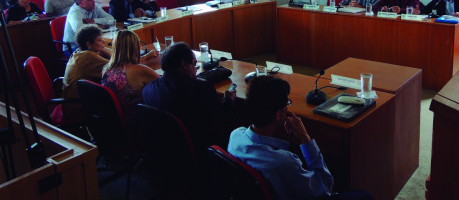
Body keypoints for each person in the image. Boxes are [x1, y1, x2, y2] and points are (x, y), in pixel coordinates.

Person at [228, 76, 372, 200]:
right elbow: (326, 188)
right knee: (364, 195)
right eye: (287, 105)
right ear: (279, 115)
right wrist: (305, 138)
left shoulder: (235, 135)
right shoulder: (285, 162)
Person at [142, 42, 235, 153]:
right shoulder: (201, 89)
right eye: (194, 64)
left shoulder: (148, 90)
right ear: (184, 64)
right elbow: (221, 123)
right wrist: (228, 101)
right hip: (198, 152)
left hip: (161, 152)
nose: (196, 69)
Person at [102, 30, 159, 126]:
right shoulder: (139, 70)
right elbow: (165, 85)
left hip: (115, 123)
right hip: (139, 122)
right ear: (136, 47)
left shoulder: (106, 69)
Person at [62, 25, 111, 120]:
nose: (103, 42)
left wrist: (101, 48)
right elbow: (119, 65)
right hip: (78, 109)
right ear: (88, 44)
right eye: (100, 41)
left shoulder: (78, 52)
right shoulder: (89, 57)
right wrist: (104, 49)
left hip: (71, 103)